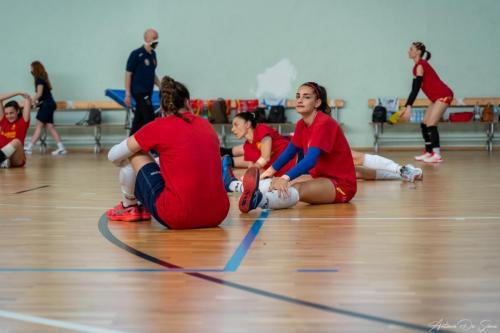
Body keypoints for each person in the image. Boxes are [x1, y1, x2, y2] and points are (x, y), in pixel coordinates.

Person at [106, 76, 229, 229]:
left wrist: (123, 164)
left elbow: (113, 155)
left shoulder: (159, 126)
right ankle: (138, 205)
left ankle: (129, 206)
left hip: (179, 216)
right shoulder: (206, 125)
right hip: (218, 214)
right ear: (187, 102)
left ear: (163, 108)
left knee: (134, 153)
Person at [237, 82, 357, 213]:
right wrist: (268, 173)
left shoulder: (324, 123)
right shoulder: (301, 124)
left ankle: (258, 201)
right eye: (298, 96)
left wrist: (284, 178)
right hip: (323, 179)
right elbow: (289, 152)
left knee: (297, 188)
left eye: (306, 97)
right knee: (275, 183)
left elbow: (310, 160)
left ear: (317, 103)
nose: (300, 100)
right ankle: (235, 186)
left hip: (342, 185)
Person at [399, 42, 454, 163]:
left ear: (418, 52)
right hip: (436, 97)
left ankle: (437, 154)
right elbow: (414, 89)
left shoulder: (421, 66)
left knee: (431, 124)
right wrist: (407, 106)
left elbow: (417, 88)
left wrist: (409, 106)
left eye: (411, 49)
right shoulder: (416, 67)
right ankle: (429, 152)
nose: (408, 51)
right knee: (424, 123)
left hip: (444, 95)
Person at [220, 112, 297, 192]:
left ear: (247, 124)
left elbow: (265, 157)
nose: (232, 129)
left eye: (236, 125)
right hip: (286, 174)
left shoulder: (261, 129)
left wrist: (248, 176)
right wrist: (246, 179)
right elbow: (253, 168)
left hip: (299, 158)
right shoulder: (247, 146)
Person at [24, 61, 67, 155]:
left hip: (47, 106)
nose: (30, 70)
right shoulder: (43, 79)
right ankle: (61, 148)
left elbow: (39, 94)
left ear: (35, 68)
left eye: (31, 68)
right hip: (49, 104)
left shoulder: (39, 79)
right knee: (50, 127)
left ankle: (29, 147)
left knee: (38, 126)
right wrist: (36, 103)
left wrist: (30, 101)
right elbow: (43, 96)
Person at [125, 28, 161, 135]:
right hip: (139, 92)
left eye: (157, 38)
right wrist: (127, 94)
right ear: (146, 38)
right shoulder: (136, 54)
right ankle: (151, 147)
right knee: (149, 117)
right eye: (154, 38)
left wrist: (160, 86)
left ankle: (129, 145)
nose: (156, 41)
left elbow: (152, 74)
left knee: (138, 119)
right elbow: (128, 74)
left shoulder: (153, 55)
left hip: (148, 92)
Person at [0, 92, 32, 168]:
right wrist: (17, 93)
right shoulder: (3, 120)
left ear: (17, 111)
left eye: (11, 113)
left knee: (16, 142)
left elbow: (28, 99)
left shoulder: (23, 122)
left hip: (16, 159)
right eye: (6, 114)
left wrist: (26, 97)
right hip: (4, 156)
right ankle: (3, 162)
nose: (8, 116)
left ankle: (2, 160)